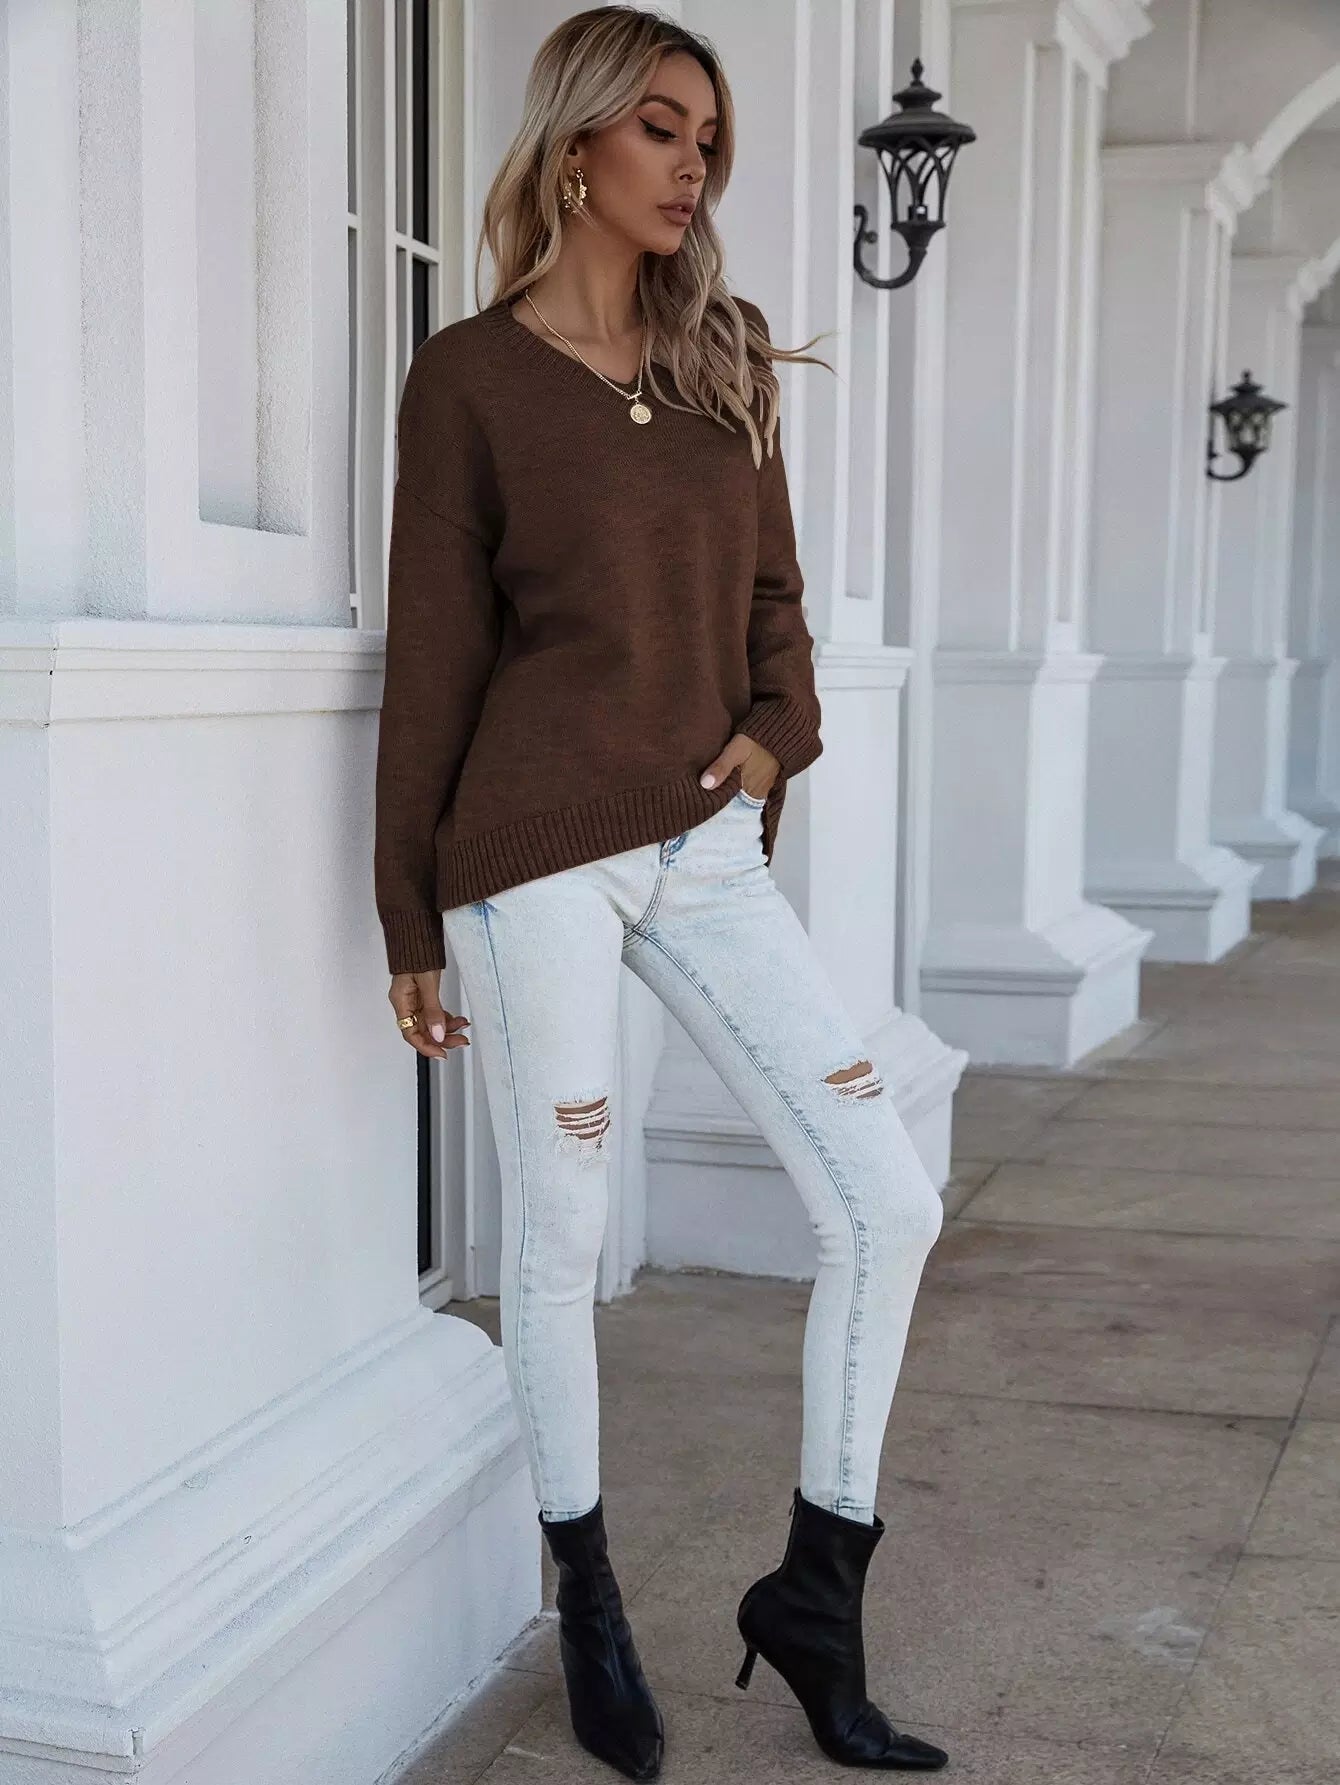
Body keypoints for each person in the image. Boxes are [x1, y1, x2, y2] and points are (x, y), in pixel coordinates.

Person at [372, 7, 947, 1778]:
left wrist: (776, 741)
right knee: (556, 1231)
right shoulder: (469, 378)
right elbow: (436, 659)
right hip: (528, 856)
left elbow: (778, 606)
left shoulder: (727, 363)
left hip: (704, 848)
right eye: (660, 128)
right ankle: (592, 1599)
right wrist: (410, 914)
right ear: (575, 149)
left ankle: (817, 1597)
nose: (694, 162)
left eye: (709, 137)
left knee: (886, 1199)